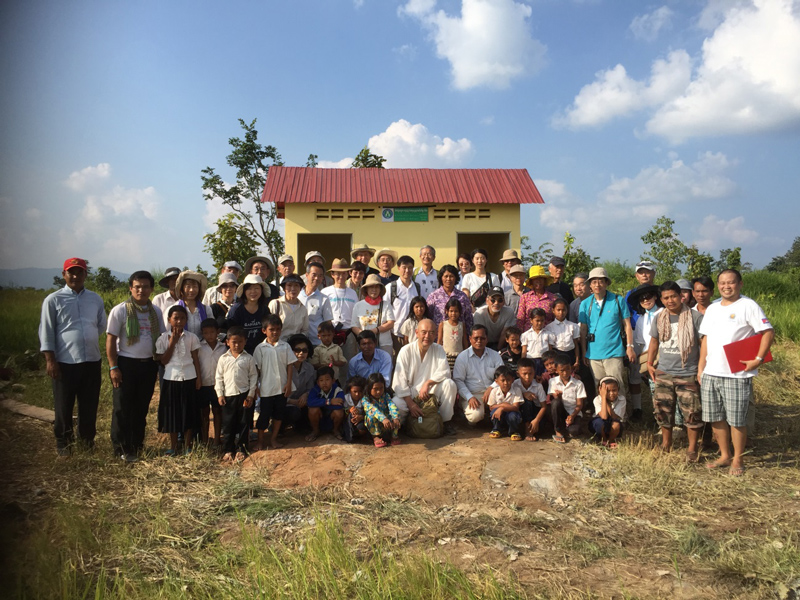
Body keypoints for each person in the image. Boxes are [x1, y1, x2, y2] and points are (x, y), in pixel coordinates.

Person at [698, 269, 774, 476]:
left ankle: (738, 458)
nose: (726, 286)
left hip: (737, 373)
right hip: (712, 372)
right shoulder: (712, 308)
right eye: (722, 283)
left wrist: (757, 360)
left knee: (737, 419)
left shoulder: (748, 306)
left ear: (740, 284)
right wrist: (701, 367)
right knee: (715, 417)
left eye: (730, 282)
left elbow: (767, 332)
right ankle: (724, 455)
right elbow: (706, 339)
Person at [39, 257, 107, 456]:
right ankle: (64, 443)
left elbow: (101, 324)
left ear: (86, 274)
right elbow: (46, 332)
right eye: (71, 272)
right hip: (65, 362)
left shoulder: (95, 298)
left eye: (79, 272)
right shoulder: (53, 299)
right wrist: (50, 360)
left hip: (92, 360)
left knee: (89, 403)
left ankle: (87, 442)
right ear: (64, 275)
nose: (75, 276)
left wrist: (86, 337)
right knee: (64, 404)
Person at [106, 271, 164, 462]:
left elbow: (161, 338)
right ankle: (120, 448)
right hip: (126, 364)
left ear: (151, 289)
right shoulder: (120, 310)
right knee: (122, 408)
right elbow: (111, 339)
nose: (141, 290)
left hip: (148, 365)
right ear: (131, 288)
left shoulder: (155, 312)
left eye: (145, 286)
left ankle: (136, 445)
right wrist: (113, 367)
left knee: (141, 408)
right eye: (137, 286)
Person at [647, 281, 704, 458]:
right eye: (666, 297)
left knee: (691, 412)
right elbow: (654, 341)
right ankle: (666, 443)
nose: (670, 300)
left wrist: (701, 368)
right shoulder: (659, 317)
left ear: (681, 296)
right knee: (663, 410)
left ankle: (692, 448)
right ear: (661, 300)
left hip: (688, 372)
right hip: (664, 371)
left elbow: (704, 343)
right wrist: (650, 363)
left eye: (673, 296)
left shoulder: (694, 317)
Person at [391, 318, 458, 433]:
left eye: (432, 333)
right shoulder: (405, 350)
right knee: (397, 404)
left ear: (436, 335)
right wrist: (411, 404)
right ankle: (403, 426)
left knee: (449, 384)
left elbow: (445, 371)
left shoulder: (438, 349)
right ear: (417, 333)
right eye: (424, 332)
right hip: (410, 392)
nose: (427, 336)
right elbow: (399, 381)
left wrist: (428, 383)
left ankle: (444, 422)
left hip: (429, 390)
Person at [579, 267, 636, 398]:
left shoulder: (617, 300)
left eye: (600, 281)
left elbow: (627, 325)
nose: (597, 285)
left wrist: (630, 346)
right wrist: (584, 352)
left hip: (614, 352)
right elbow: (583, 330)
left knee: (617, 386)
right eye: (594, 282)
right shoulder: (585, 304)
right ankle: (603, 416)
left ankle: (620, 417)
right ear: (590, 285)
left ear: (606, 283)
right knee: (599, 387)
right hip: (593, 354)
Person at [155, 305, 202, 455]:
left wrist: (199, 378)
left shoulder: (192, 337)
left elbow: (195, 359)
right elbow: (164, 361)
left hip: (189, 376)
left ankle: (188, 446)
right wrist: (172, 342)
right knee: (172, 413)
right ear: (169, 319)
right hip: (171, 378)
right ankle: (174, 446)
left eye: (182, 318)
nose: (179, 321)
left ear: (186, 320)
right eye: (175, 318)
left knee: (189, 411)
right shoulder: (163, 338)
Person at [214, 325, 258, 463]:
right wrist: (220, 394)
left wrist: (251, 395)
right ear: (227, 342)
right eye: (234, 342)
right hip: (228, 396)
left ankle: (242, 449)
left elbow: (253, 377)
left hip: (244, 395)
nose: (237, 345)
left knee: (244, 423)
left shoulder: (248, 358)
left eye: (240, 341)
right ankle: (228, 449)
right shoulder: (223, 358)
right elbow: (218, 378)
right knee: (228, 424)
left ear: (245, 341)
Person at [452, 325, 504, 426]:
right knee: (475, 416)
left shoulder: (495, 355)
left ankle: (489, 417)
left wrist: (491, 387)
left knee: (506, 410)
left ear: (487, 339)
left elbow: (502, 376)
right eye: (476, 338)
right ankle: (476, 416)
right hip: (473, 394)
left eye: (482, 338)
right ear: (470, 339)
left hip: (493, 392)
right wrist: (469, 397)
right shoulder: (462, 357)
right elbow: (458, 380)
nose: (479, 341)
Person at [628, 283, 663, 420]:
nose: (645, 300)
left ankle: (675, 423)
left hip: (665, 359)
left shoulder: (663, 313)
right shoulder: (641, 320)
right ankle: (660, 420)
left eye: (648, 297)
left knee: (667, 391)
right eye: (641, 299)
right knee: (654, 391)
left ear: (655, 296)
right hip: (650, 361)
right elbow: (641, 343)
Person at [252, 323, 286, 450]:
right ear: (264, 330)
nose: (275, 332)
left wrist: (288, 383)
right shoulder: (260, 348)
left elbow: (289, 365)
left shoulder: (285, 346)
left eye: (278, 329)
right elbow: (257, 369)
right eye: (271, 329)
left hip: (281, 387)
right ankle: (260, 441)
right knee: (264, 415)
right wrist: (255, 386)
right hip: (266, 388)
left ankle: (273, 439)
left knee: (278, 415)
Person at [197, 318, 226, 447]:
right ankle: (204, 439)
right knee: (204, 412)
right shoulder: (198, 347)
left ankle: (216, 439)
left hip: (217, 385)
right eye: (206, 333)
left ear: (218, 332)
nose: (209, 335)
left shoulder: (224, 348)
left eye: (212, 332)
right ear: (202, 334)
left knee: (217, 411)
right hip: (203, 384)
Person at [351, 274, 395, 357]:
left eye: (376, 287)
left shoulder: (386, 304)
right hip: (365, 346)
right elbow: (354, 326)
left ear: (380, 289)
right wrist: (364, 336)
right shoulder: (358, 305)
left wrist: (374, 331)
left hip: (384, 344)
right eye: (371, 287)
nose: (374, 290)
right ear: (366, 289)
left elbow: (390, 323)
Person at [226, 274, 271, 355]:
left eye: (256, 288)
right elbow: (230, 332)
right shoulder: (236, 310)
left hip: (261, 351)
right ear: (244, 291)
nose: (253, 292)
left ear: (262, 290)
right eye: (249, 289)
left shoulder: (264, 309)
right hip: (241, 352)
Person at [386, 255, 421, 353]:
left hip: (414, 334)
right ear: (398, 268)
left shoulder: (417, 287)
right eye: (404, 267)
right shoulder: (391, 287)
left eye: (410, 268)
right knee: (397, 362)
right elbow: (385, 309)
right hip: (396, 334)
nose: (407, 270)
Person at [548, 353, 587, 443]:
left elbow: (579, 404)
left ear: (571, 368)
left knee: (573, 431)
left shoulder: (578, 383)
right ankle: (558, 430)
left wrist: (572, 416)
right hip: (560, 412)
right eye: (562, 370)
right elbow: (556, 400)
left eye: (568, 369)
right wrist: (558, 396)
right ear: (556, 370)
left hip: (573, 412)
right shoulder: (553, 381)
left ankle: (569, 428)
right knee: (555, 402)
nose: (565, 373)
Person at [427, 264, 474, 332]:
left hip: (458, 336)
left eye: (451, 276)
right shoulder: (433, 296)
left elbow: (468, 318)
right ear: (441, 278)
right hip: (439, 338)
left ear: (455, 278)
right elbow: (429, 317)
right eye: (446, 276)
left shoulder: (462, 296)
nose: (448, 279)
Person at [298, 262, 334, 347]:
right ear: (307, 275)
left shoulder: (324, 299)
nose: (317, 278)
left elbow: (328, 323)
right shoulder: (297, 296)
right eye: (314, 275)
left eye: (320, 276)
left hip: (317, 344)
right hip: (298, 343)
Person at [306, 366, 346, 442]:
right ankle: (315, 431)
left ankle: (335, 430)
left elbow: (339, 404)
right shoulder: (315, 389)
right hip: (319, 418)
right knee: (313, 410)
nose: (324, 383)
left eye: (327, 380)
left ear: (333, 380)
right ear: (318, 382)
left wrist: (320, 403)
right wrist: (329, 402)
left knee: (339, 412)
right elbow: (310, 402)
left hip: (331, 419)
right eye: (321, 380)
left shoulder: (338, 390)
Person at [362, 373, 401, 447]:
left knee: (396, 412)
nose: (378, 392)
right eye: (375, 389)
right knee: (370, 415)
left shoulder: (386, 396)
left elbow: (392, 405)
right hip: (375, 424)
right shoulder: (365, 399)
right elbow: (373, 410)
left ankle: (394, 436)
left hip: (387, 424)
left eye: (381, 388)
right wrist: (383, 419)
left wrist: (395, 417)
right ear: (369, 388)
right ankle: (375, 437)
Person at [286, 334, 316, 429]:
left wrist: (306, 395)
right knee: (293, 413)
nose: (301, 353)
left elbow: (310, 388)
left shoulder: (310, 368)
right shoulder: (283, 368)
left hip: (302, 403)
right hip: (285, 404)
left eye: (305, 350)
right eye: (297, 350)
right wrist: (293, 401)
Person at [515, 357, 548, 441]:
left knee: (542, 428)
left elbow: (544, 406)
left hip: (535, 411)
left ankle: (531, 427)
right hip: (520, 410)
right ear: (518, 374)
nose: (527, 377)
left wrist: (536, 420)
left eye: (530, 374)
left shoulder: (538, 386)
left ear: (534, 373)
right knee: (526, 402)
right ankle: (527, 430)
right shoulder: (515, 384)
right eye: (524, 374)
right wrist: (523, 394)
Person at [487, 365, 523, 440]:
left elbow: (516, 407)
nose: (506, 383)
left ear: (513, 380)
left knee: (513, 415)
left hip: (512, 413)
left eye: (508, 380)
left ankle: (513, 431)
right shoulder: (494, 391)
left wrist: (502, 408)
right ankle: (496, 429)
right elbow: (491, 407)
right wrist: (503, 406)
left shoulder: (517, 390)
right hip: (500, 414)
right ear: (496, 381)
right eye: (503, 380)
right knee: (494, 412)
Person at [269, 274, 309, 341]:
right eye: (289, 285)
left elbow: (305, 330)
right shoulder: (276, 304)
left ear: (300, 288)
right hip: (278, 345)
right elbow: (268, 327)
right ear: (284, 288)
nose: (293, 289)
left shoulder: (303, 308)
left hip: (295, 347)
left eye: (296, 285)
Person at [516, 266, 557, 331]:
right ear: (532, 281)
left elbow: (556, 319)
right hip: (528, 336)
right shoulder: (525, 297)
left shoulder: (553, 298)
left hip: (548, 335)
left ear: (544, 280)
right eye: (535, 279)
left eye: (541, 278)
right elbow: (520, 320)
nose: (538, 281)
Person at [545, 298, 581, 370]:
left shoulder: (573, 326)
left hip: (570, 355)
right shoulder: (549, 327)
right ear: (553, 310)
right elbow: (550, 347)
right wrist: (551, 362)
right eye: (558, 310)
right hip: (556, 354)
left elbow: (576, 345)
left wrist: (577, 361)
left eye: (563, 310)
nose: (561, 313)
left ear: (567, 311)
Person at [591, 376, 625, 448]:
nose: (611, 393)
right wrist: (603, 397)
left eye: (614, 390)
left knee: (616, 425)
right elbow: (604, 416)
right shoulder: (597, 399)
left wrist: (605, 400)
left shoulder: (622, 399)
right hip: (600, 424)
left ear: (618, 390)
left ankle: (610, 440)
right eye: (608, 391)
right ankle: (603, 440)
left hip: (613, 425)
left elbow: (614, 417)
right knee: (599, 423)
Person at [175, 270, 212, 337]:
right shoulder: (175, 308)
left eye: (195, 287)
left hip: (202, 346)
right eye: (188, 286)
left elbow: (212, 329)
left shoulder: (206, 309)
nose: (191, 290)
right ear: (182, 289)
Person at [521, 308, 555, 376]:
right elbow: (524, 351)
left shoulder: (549, 334)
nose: (540, 323)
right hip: (531, 360)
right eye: (537, 320)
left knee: (545, 378)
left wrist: (550, 363)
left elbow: (550, 350)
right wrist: (522, 364)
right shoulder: (525, 335)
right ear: (531, 320)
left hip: (544, 361)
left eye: (542, 321)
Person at [438, 297, 468, 372]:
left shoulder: (462, 325)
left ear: (460, 312)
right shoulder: (443, 324)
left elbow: (464, 341)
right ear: (447, 311)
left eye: (456, 311)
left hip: (459, 356)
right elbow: (439, 341)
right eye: (451, 311)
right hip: (446, 356)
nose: (453, 313)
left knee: (458, 375)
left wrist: (467, 354)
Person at [343, 376, 368, 441]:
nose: (357, 394)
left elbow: (371, 413)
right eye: (355, 391)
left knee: (362, 428)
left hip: (361, 421)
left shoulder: (365, 399)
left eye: (360, 391)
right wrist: (349, 410)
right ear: (350, 391)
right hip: (347, 420)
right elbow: (342, 412)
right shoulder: (346, 398)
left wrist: (361, 417)